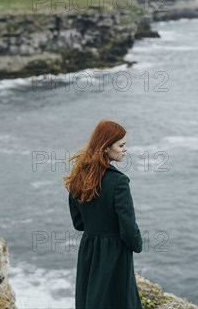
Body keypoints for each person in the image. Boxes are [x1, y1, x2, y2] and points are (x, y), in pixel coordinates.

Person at [63, 119, 143, 309]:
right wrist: (137, 245)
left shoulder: (78, 175)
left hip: (89, 248)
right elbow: (128, 228)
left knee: (91, 300)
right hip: (115, 252)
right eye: (121, 145)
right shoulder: (119, 182)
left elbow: (78, 223)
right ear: (106, 147)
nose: (125, 149)